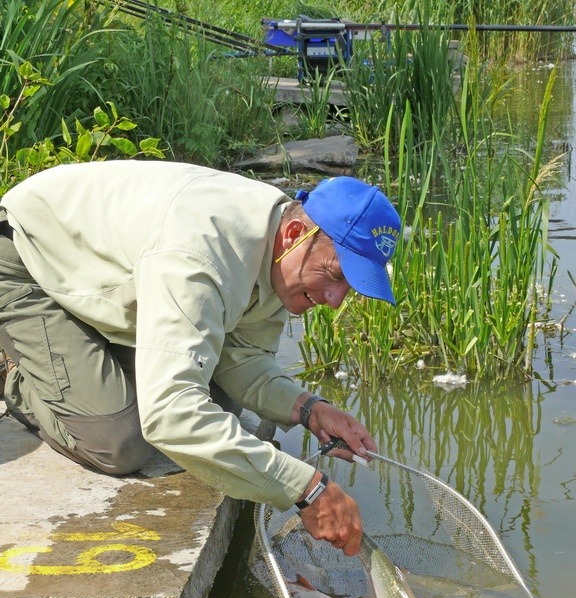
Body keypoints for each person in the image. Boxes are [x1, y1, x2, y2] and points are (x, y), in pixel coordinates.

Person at [0, 161, 400, 556]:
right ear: (296, 234)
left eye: (349, 287)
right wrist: (308, 489)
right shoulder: (201, 256)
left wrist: (311, 410)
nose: (334, 300)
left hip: (103, 279)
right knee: (119, 441)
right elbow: (170, 418)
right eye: (333, 275)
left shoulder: (283, 253)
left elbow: (242, 361)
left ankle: (80, 361)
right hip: (29, 263)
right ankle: (17, 374)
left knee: (219, 397)